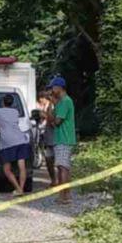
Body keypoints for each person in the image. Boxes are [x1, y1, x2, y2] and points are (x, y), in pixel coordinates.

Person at [47, 76, 76, 204]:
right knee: (62, 167)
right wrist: (51, 106)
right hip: (61, 138)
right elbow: (53, 120)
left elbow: (56, 121)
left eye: (53, 88)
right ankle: (66, 194)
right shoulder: (60, 102)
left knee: (62, 167)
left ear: (59, 88)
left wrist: (49, 115)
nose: (52, 91)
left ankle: (63, 196)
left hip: (64, 139)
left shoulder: (65, 101)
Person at [0, 94, 30, 195]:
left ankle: (18, 188)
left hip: (7, 143)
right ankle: (22, 188)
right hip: (20, 140)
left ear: (2, 102)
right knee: (22, 167)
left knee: (6, 169)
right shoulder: (16, 112)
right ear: (12, 103)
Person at [37, 90, 57, 186]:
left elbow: (54, 122)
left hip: (54, 138)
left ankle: (59, 181)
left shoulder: (53, 107)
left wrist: (45, 116)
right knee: (48, 160)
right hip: (48, 137)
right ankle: (53, 180)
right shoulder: (47, 106)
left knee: (56, 161)